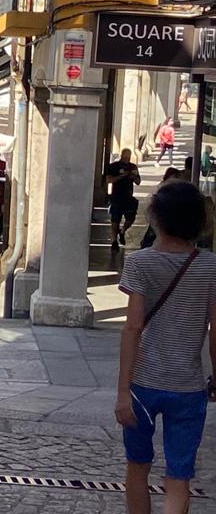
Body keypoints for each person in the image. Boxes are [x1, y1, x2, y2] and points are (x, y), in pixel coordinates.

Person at [116, 180, 216, 514]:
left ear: (155, 216)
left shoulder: (139, 263)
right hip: (188, 385)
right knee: (179, 478)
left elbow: (131, 328)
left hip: (143, 383)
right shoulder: (211, 267)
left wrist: (122, 391)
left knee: (137, 468)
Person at [106, 148, 142, 250]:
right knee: (115, 219)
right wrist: (121, 176)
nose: (126, 159)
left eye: (128, 157)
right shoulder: (114, 166)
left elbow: (138, 181)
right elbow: (109, 180)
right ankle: (114, 241)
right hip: (116, 197)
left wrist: (132, 176)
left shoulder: (133, 167)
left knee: (131, 218)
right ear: (121, 155)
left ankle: (122, 231)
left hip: (129, 197)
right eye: (125, 156)